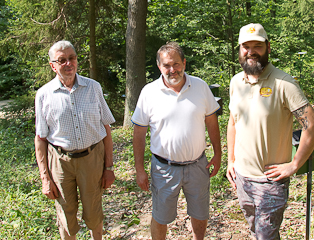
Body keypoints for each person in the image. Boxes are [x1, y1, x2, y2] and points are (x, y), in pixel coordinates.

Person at [226, 23, 314, 239]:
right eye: (246, 47)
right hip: (242, 178)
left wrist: (295, 164)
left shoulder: (284, 83)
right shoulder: (235, 82)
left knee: (265, 236)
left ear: (268, 47)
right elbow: (233, 122)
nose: (251, 52)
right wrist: (230, 160)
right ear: (239, 50)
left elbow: (312, 126)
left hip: (269, 182)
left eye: (257, 46)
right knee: (255, 231)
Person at [132, 42, 222, 240]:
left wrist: (218, 153)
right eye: (166, 65)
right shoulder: (149, 92)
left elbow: (211, 121)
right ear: (159, 67)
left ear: (184, 63)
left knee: (200, 214)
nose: (172, 70)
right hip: (163, 169)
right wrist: (139, 169)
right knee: (160, 217)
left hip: (198, 165)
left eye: (176, 64)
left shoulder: (200, 86)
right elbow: (139, 133)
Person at [34, 40, 116, 240]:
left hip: (92, 159)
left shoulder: (93, 87)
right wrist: (45, 178)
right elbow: (41, 138)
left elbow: (106, 128)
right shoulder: (44, 95)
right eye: (62, 60)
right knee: (65, 216)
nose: (68, 63)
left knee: (94, 213)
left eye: (72, 58)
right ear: (53, 65)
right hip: (61, 163)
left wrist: (109, 168)